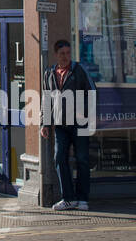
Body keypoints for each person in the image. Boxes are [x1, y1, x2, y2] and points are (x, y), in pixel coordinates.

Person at [40, 39, 96, 211]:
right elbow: (46, 98)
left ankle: (82, 199)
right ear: (56, 55)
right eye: (62, 54)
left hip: (80, 123)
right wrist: (45, 123)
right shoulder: (49, 73)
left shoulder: (78, 70)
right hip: (60, 125)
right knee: (60, 158)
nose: (66, 57)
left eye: (68, 53)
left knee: (82, 160)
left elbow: (92, 92)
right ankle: (68, 198)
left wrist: (83, 111)